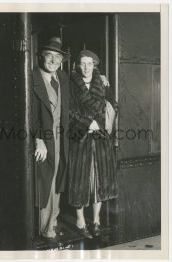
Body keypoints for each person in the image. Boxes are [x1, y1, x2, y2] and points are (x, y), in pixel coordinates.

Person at [68, 50, 118, 239]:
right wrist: (87, 123)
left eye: (90, 64)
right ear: (78, 65)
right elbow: (68, 110)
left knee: (100, 181)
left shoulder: (103, 83)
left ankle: (95, 220)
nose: (86, 67)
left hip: (101, 138)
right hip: (81, 138)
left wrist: (104, 123)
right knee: (80, 182)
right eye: (83, 63)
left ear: (95, 66)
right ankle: (80, 221)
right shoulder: (70, 84)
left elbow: (114, 104)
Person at [32, 37, 69, 244]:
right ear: (41, 57)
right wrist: (38, 139)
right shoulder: (32, 77)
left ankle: (51, 224)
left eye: (57, 57)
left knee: (56, 179)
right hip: (43, 139)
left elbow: (84, 78)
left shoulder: (62, 77)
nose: (53, 60)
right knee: (44, 182)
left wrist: (101, 78)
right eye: (49, 56)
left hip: (60, 138)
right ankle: (43, 229)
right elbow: (29, 113)